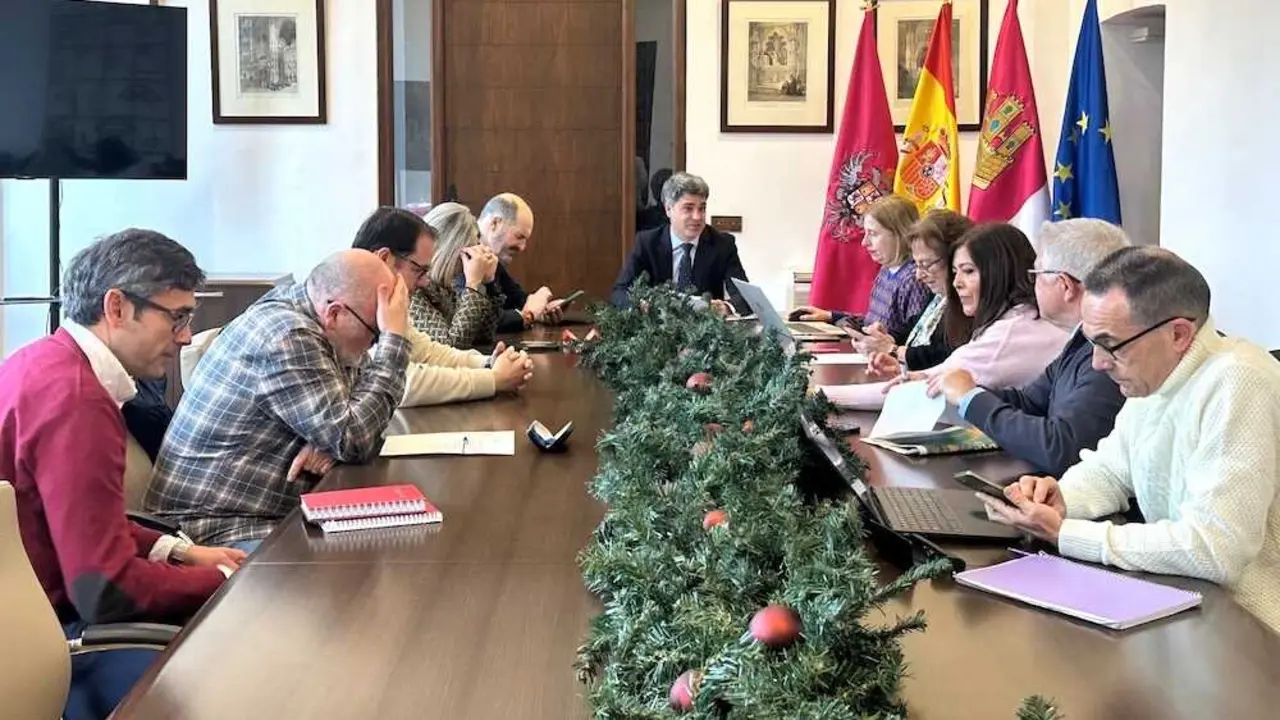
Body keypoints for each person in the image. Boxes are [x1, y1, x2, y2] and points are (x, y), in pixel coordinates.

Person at [0, 230, 243, 719]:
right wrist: (221, 579)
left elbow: (81, 514)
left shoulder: (41, 360)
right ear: (116, 307)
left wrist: (180, 552)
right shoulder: (77, 400)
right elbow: (102, 590)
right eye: (176, 316)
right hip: (49, 635)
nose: (185, 336)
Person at [980, 247, 1280, 634]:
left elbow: (1216, 548)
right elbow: (1111, 470)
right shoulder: (1156, 374)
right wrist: (1062, 497)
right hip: (1188, 606)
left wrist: (1067, 534)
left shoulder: (1238, 381)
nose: (1097, 363)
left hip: (1253, 634)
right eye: (1092, 343)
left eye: (1111, 345)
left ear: (1178, 334)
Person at [144, 250, 412, 549]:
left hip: (263, 515)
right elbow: (354, 435)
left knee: (387, 551)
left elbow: (359, 421)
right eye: (376, 335)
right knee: (367, 569)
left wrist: (334, 443)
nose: (372, 348)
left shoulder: (317, 320)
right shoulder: (288, 335)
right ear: (335, 313)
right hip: (215, 529)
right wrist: (395, 344)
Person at [932, 219, 1130, 477]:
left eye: (1036, 274)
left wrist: (971, 398)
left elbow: (1062, 449)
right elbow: (1030, 401)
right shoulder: (1081, 339)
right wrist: (966, 392)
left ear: (1065, 286)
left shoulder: (1108, 352)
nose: (1031, 284)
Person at [819, 223, 1068, 410]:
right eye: (955, 272)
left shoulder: (1011, 332)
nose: (957, 283)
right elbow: (939, 375)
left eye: (969, 271)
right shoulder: (1021, 318)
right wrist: (910, 373)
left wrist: (819, 395)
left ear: (999, 272)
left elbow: (923, 392)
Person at [354, 206, 535, 404]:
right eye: (419, 270)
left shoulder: (394, 298)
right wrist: (494, 379)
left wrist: (489, 363)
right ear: (385, 259)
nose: (425, 280)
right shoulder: (359, 308)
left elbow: (430, 351)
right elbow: (403, 384)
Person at [792, 195, 934, 343]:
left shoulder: (914, 280)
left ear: (900, 234)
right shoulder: (887, 270)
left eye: (873, 233)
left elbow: (913, 339)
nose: (864, 243)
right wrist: (830, 316)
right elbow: (872, 324)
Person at [611, 171, 749, 314]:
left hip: (705, 330)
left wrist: (725, 307)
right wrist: (640, 306)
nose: (697, 217)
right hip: (657, 329)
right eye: (688, 208)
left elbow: (745, 297)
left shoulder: (722, 244)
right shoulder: (647, 243)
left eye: (702, 208)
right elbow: (619, 293)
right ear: (668, 209)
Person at [855, 209, 974, 370]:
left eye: (925, 265)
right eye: (917, 264)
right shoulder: (937, 296)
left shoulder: (969, 304)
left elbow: (946, 356)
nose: (918, 275)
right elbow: (911, 330)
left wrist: (893, 350)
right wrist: (886, 337)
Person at [411, 201, 504, 349]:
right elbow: (450, 346)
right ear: (449, 250)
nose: (471, 260)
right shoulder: (414, 288)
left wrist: (488, 283)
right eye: (468, 253)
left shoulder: (447, 285)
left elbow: (483, 335)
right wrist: (473, 284)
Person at [472, 193, 566, 333]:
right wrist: (529, 315)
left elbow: (516, 298)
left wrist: (543, 309)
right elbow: (479, 321)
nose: (522, 247)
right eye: (519, 237)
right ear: (495, 223)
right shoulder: (465, 252)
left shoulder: (492, 256)